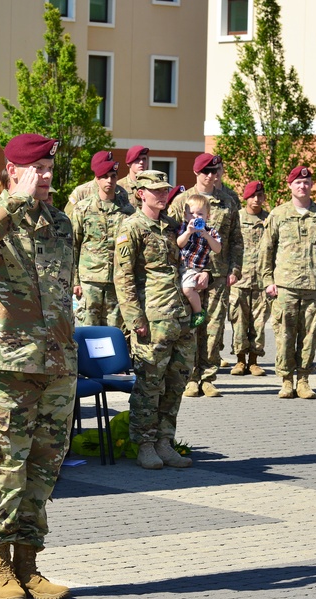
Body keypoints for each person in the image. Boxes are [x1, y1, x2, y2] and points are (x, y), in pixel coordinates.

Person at [0, 133, 76, 599]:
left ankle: (29, 563)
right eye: (37, 169)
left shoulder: (62, 224)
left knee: (44, 466)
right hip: (9, 364)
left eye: (49, 168)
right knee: (5, 464)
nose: (46, 177)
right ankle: (0, 567)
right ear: (13, 169)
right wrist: (13, 202)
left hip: (58, 362)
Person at [114, 169, 196, 471]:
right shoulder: (132, 227)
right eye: (156, 190)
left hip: (180, 317)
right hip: (152, 319)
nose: (162, 195)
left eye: (165, 190)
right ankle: (145, 444)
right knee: (149, 385)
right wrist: (135, 318)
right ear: (140, 193)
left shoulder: (174, 227)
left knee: (176, 383)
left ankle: (165, 441)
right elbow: (123, 278)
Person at [259, 165, 316, 399]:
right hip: (285, 286)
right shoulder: (278, 214)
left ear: (311, 185)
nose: (302, 186)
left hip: (314, 287)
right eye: (298, 182)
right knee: (284, 334)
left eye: (306, 183)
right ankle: (286, 380)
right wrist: (268, 279)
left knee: (310, 335)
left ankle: (303, 379)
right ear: (290, 186)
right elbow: (266, 249)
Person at [168, 153, 243, 398]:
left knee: (213, 326)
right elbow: (170, 239)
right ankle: (190, 377)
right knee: (190, 326)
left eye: (215, 171)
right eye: (206, 172)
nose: (211, 176)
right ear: (197, 173)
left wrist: (234, 269)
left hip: (218, 273)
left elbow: (235, 239)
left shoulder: (229, 200)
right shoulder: (182, 201)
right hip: (188, 272)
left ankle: (208, 376)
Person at [71, 150, 134, 328]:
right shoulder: (83, 209)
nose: (109, 181)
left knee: (114, 330)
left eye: (113, 176)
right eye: (104, 177)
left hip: (116, 279)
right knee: (88, 328)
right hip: (90, 279)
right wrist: (75, 281)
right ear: (97, 179)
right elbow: (73, 245)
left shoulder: (127, 210)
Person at [229, 180, 270, 376]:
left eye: (260, 196)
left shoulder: (269, 220)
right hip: (239, 280)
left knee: (259, 323)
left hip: (262, 281)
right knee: (239, 321)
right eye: (253, 196)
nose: (256, 199)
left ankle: (254, 360)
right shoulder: (236, 218)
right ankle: (239, 360)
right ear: (246, 197)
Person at [175, 194, 223, 328]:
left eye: (200, 214)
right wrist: (188, 232)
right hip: (181, 265)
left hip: (194, 268)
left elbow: (218, 249)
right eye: (192, 213)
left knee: (187, 289)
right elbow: (179, 243)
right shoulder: (184, 228)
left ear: (207, 217)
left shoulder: (210, 232)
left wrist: (207, 236)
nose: (195, 216)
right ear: (186, 216)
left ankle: (198, 311)